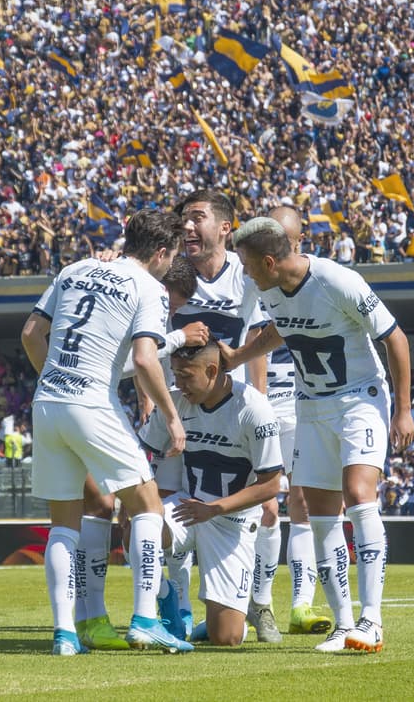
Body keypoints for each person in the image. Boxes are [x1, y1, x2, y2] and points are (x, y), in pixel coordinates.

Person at [223, 216, 414, 653]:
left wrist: (402, 411)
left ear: (270, 261)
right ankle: (343, 624)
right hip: (311, 405)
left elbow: (396, 338)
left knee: (358, 493)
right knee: (319, 510)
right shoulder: (267, 289)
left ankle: (372, 620)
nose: (246, 272)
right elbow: (281, 329)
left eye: (249, 265)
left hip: (360, 398)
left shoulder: (336, 280)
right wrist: (239, 357)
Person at [21, 209, 193, 656]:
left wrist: (54, 381)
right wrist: (172, 418)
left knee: (63, 525)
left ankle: (64, 634)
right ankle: (144, 620)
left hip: (47, 402)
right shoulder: (149, 288)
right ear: (160, 254)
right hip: (93, 403)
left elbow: (30, 334)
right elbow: (144, 359)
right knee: (148, 506)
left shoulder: (75, 268)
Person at [171, 190, 277, 642]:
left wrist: (258, 400)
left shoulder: (246, 275)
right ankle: (165, 611)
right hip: (175, 402)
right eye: (183, 220)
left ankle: (261, 603)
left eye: (197, 218)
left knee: (269, 507)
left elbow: (265, 334)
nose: (188, 227)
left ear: (225, 228)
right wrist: (149, 401)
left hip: (232, 402)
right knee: (154, 507)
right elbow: (146, 340)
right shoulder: (171, 275)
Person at [141, 341, 284, 646]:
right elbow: (144, 455)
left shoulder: (253, 409)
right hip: (186, 507)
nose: (178, 384)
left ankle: (231, 613)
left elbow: (272, 484)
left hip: (230, 521)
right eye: (175, 376)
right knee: (140, 525)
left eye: (185, 376)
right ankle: (166, 598)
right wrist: (137, 504)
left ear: (211, 370)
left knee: (227, 638)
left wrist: (215, 509)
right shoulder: (175, 401)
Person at [263, 206, 332, 636]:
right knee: (260, 506)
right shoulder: (249, 278)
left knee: (301, 502)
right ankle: (254, 603)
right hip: (255, 406)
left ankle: (301, 604)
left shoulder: (320, 282)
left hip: (301, 407)